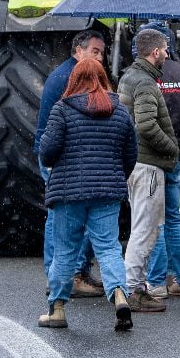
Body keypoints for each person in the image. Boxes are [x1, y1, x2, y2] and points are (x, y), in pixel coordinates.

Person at [37, 59, 136, 332]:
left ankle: (56, 309)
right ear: (103, 78)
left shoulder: (62, 110)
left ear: (75, 80)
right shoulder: (120, 111)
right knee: (108, 247)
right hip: (107, 192)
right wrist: (113, 176)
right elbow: (130, 156)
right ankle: (119, 296)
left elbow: (47, 152)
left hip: (69, 193)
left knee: (66, 249)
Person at [35, 29, 108, 294]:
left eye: (102, 53)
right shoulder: (70, 78)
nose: (99, 58)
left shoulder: (66, 74)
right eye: (95, 52)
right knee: (63, 217)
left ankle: (64, 274)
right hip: (60, 156)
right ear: (79, 50)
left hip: (60, 153)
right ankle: (67, 276)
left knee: (62, 215)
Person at [118, 27, 179, 314]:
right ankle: (133, 289)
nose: (167, 54)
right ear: (155, 52)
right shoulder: (144, 82)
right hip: (148, 166)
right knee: (145, 229)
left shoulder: (130, 77)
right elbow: (144, 125)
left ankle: (134, 286)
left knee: (140, 226)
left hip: (136, 163)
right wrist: (171, 147)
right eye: (165, 49)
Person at [145, 20, 180, 298]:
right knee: (173, 217)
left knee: (153, 219)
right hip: (175, 154)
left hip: (149, 157)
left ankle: (155, 283)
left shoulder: (142, 75)